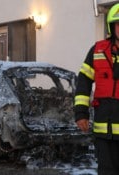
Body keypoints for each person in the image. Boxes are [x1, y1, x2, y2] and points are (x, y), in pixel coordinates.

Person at [74, 3, 119, 175]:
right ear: (111, 26)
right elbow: (83, 82)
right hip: (104, 134)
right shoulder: (97, 51)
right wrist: (81, 113)